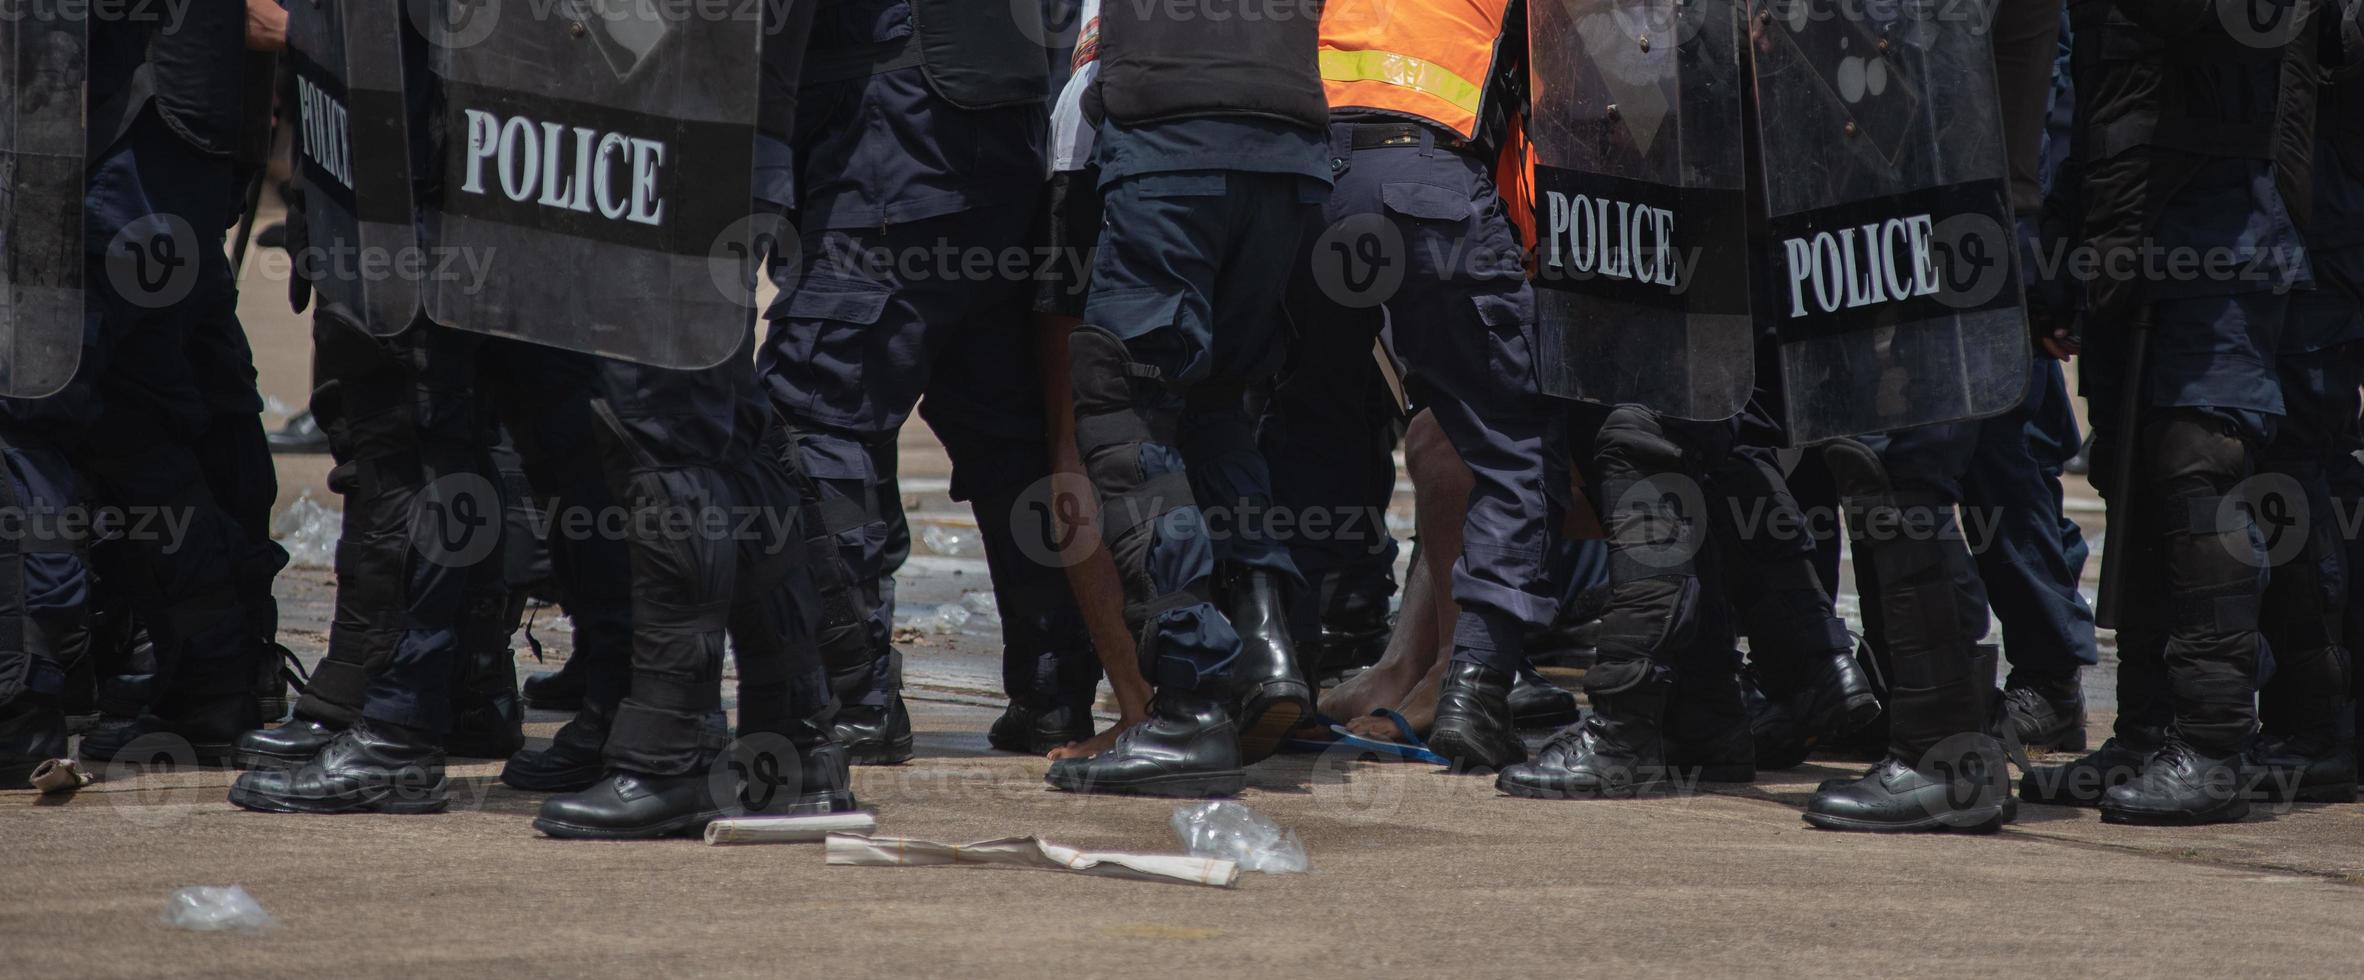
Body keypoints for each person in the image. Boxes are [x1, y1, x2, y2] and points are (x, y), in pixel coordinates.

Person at [764, 0, 1101, 763]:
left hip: (888, 146)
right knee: (1012, 436)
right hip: (1000, 150)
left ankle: (851, 698)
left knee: (820, 415)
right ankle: (1053, 694)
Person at [2019, 0, 2321, 825]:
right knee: (2133, 470)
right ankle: (2149, 730)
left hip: (2221, 229)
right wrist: (2060, 251)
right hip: (2125, 238)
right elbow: (2091, 102)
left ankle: (2216, 742)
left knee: (2201, 470)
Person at [1042, 0, 1333, 796]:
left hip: (1174, 132)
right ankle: (1267, 648)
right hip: (1289, 139)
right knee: (1217, 401)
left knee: (1124, 403)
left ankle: (1191, 700)